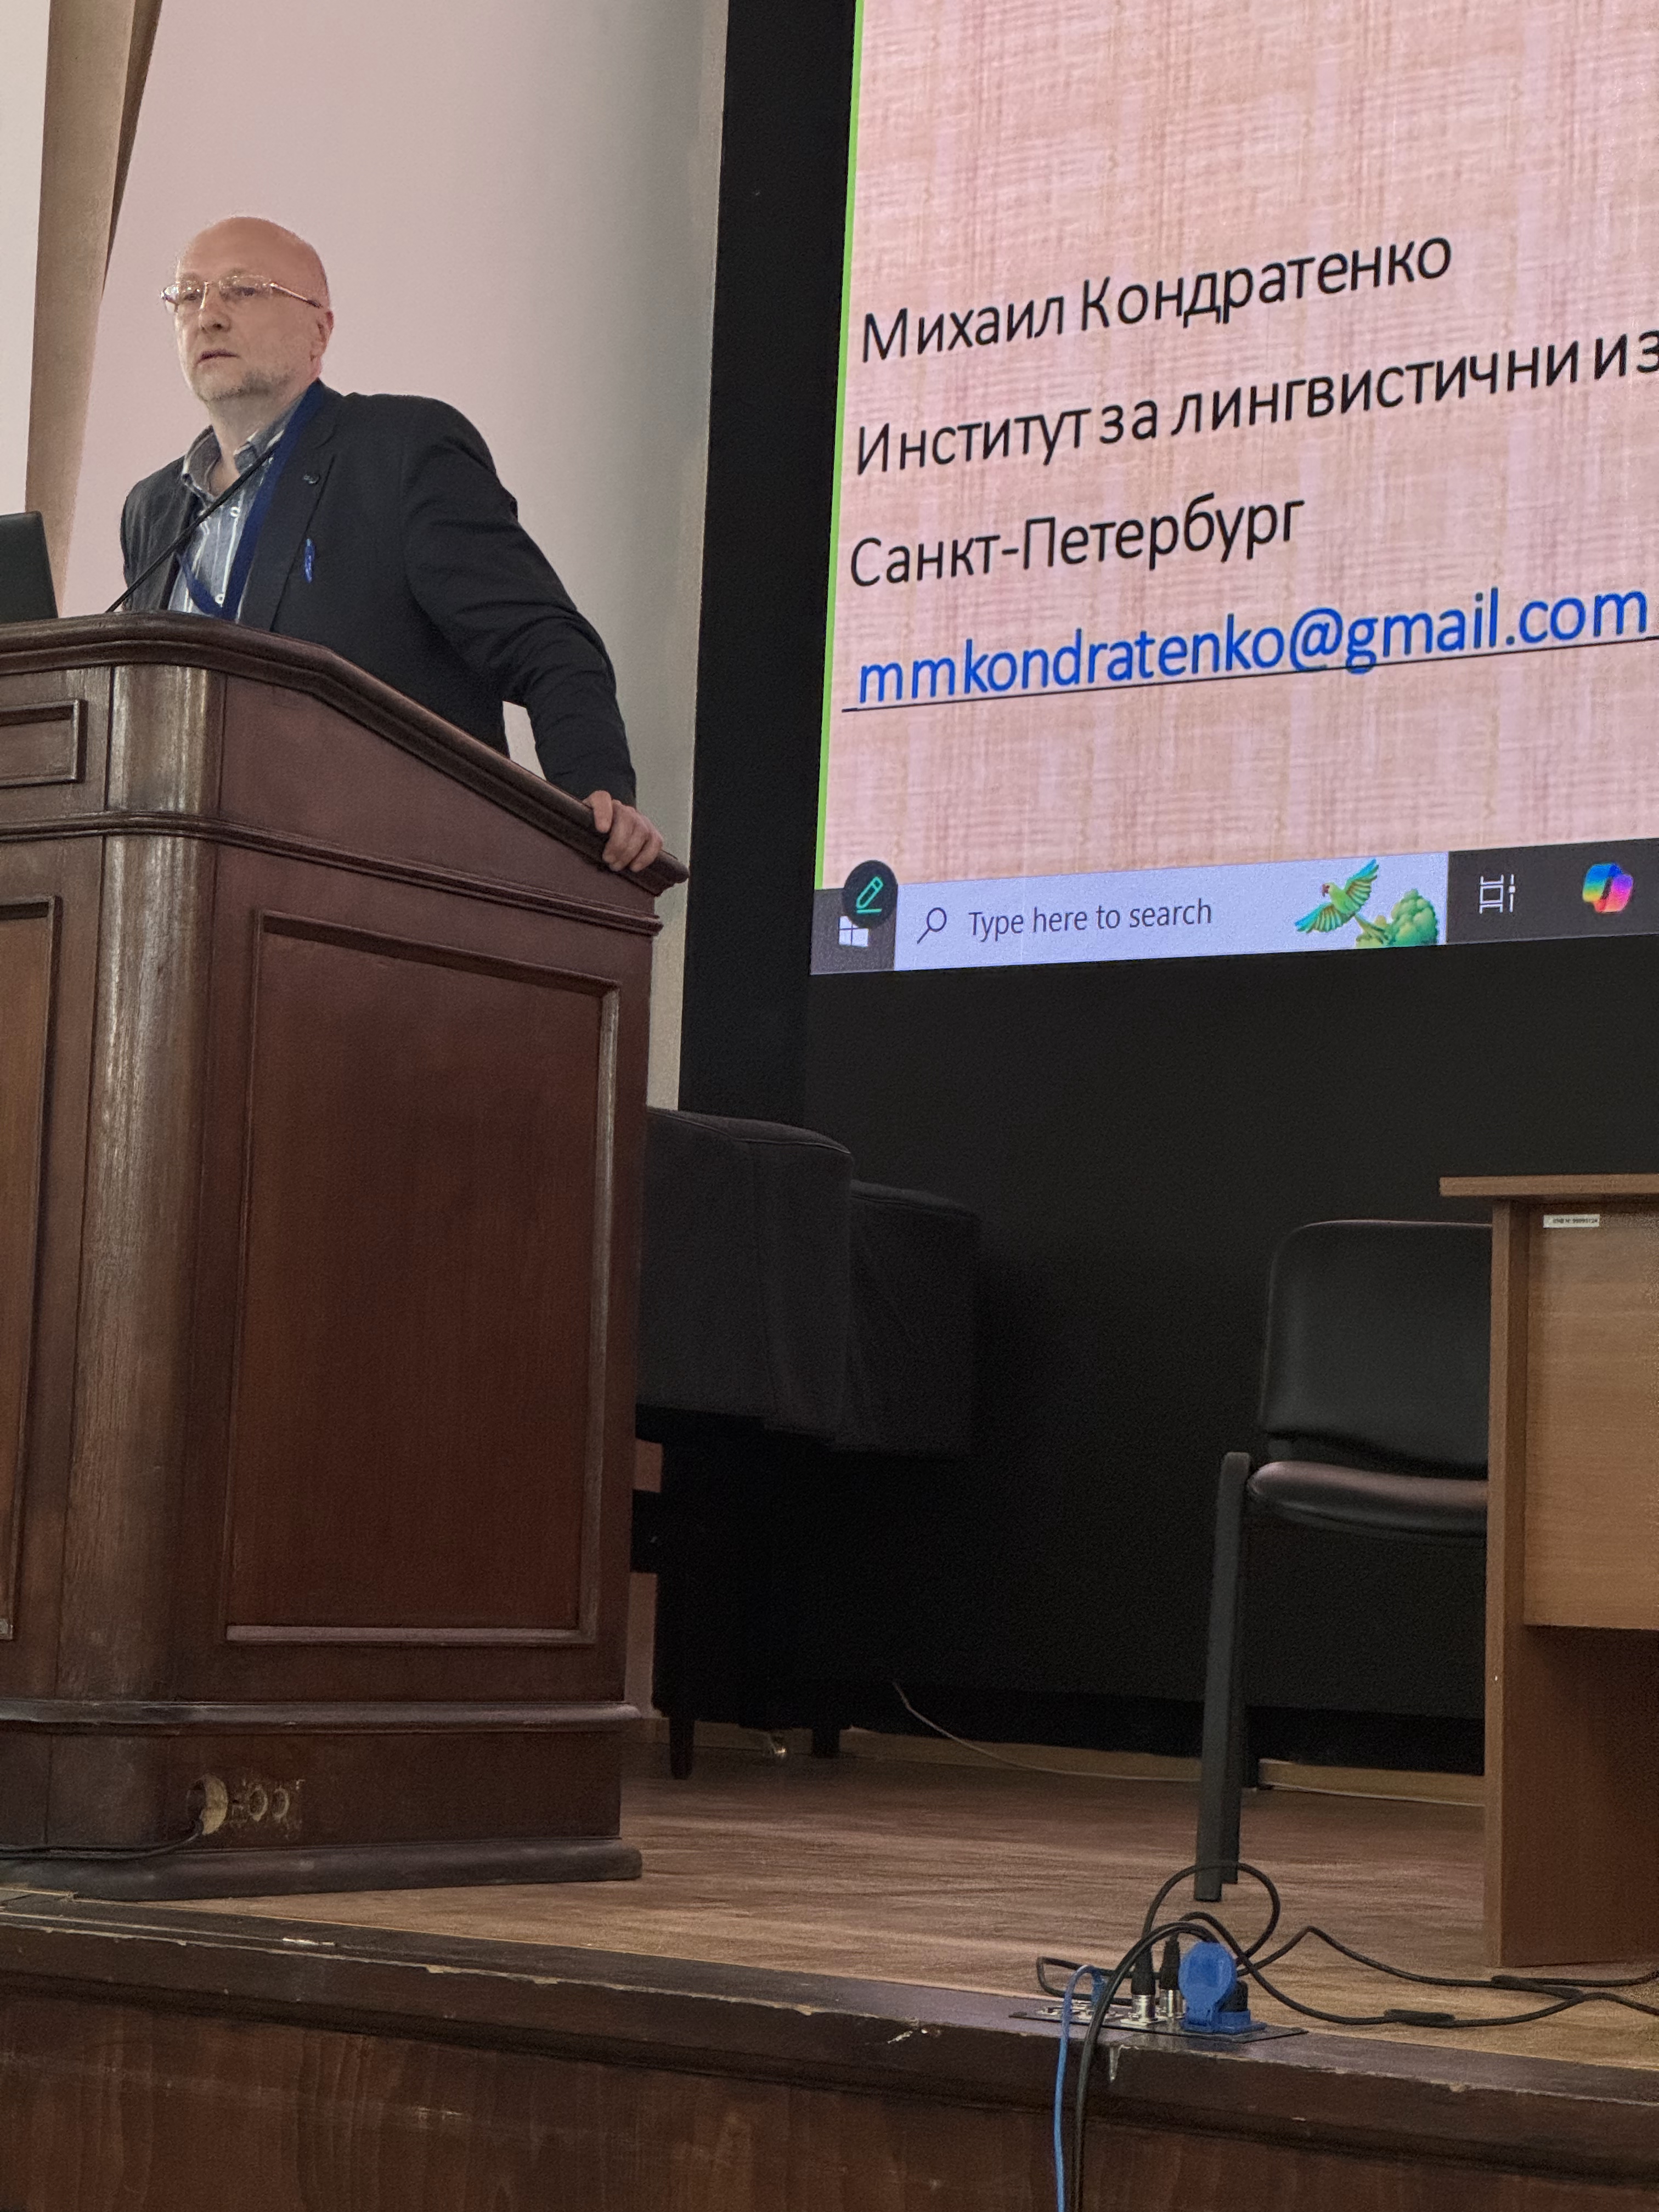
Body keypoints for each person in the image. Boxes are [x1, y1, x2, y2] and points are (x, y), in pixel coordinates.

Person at [120, 216, 663, 873]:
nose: (208, 316)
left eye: (243, 289)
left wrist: (592, 799)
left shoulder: (400, 452)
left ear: (320, 330)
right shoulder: (153, 509)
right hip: (194, 880)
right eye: (187, 295)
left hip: (387, 878)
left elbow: (544, 642)